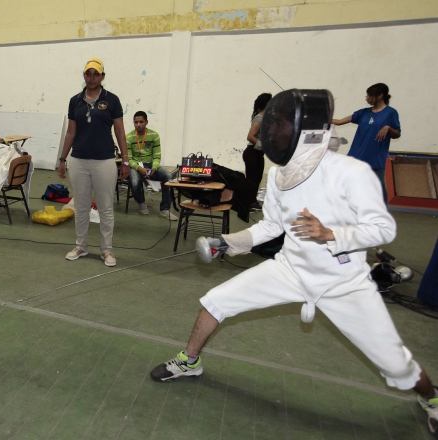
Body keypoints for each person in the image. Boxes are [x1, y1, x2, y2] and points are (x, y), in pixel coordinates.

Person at [150, 89, 438, 435]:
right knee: (215, 302)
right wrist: (227, 243)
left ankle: (432, 399)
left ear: (306, 128)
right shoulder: (280, 174)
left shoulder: (351, 172)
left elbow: (383, 228)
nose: (274, 132)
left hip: (342, 281)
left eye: (282, 124)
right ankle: (189, 361)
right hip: (290, 268)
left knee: (396, 363)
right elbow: (272, 225)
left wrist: (332, 233)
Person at [58, 57, 129, 267]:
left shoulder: (112, 100)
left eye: (96, 74)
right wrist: (62, 158)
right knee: (81, 207)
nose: (92, 77)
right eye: (88, 73)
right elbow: (71, 132)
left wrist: (125, 160)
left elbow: (119, 131)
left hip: (104, 161)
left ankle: (106, 250)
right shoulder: (75, 101)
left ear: (102, 76)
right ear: (84, 76)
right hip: (78, 160)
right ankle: (81, 246)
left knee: (105, 207)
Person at [332, 83, 401, 204]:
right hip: (356, 156)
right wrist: (318, 117)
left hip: (375, 158)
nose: (367, 99)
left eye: (370, 96)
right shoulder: (363, 113)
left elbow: (397, 134)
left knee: (378, 189)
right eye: (367, 96)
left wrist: (388, 128)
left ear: (380, 95)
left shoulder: (391, 113)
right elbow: (338, 121)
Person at [125, 111, 176, 220]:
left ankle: (164, 209)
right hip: (135, 165)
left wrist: (154, 168)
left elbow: (157, 156)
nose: (138, 124)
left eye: (141, 122)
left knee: (169, 177)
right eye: (136, 122)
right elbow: (129, 158)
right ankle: (141, 203)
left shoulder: (154, 135)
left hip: (150, 165)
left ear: (146, 122)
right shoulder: (129, 137)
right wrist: (140, 169)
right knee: (134, 182)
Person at [244, 93, 272, 211]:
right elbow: (250, 136)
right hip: (252, 152)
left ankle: (252, 201)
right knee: (252, 179)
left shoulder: (265, 118)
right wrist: (263, 145)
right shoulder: (259, 118)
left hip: (257, 153)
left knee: (257, 178)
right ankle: (247, 203)